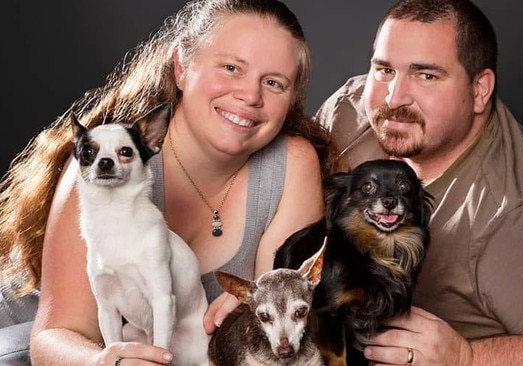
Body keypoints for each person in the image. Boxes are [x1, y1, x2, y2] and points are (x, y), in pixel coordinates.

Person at [315, 0, 523, 365]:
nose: (393, 97)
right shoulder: (353, 109)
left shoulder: (517, 216)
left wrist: (467, 356)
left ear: (479, 90)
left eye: (426, 75)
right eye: (384, 70)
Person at [0, 0, 334, 364]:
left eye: (273, 83)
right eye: (231, 67)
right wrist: (110, 362)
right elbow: (53, 334)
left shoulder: (294, 165)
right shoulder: (107, 164)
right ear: (180, 67)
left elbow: (278, 306)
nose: (250, 96)